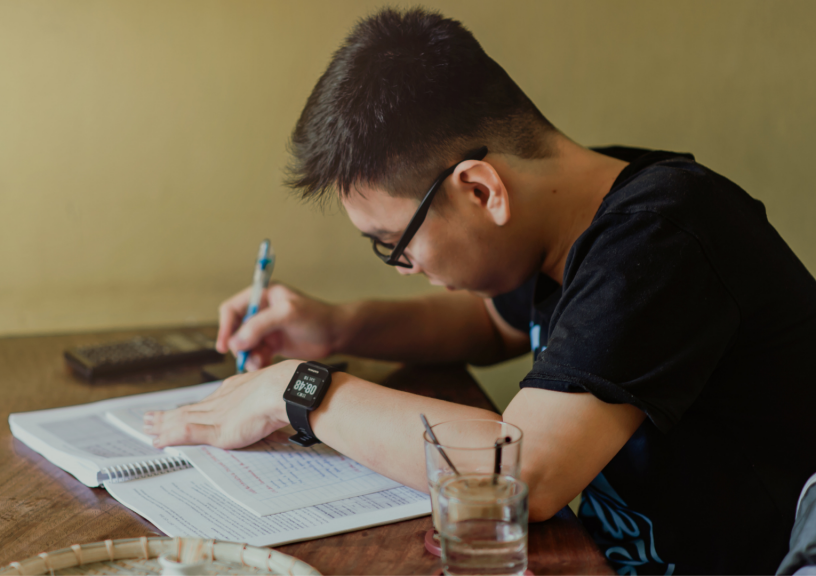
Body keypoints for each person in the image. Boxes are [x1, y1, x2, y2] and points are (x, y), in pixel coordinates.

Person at [143, 8, 816, 574]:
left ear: (480, 189)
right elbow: (491, 326)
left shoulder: (663, 237)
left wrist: (297, 390)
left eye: (394, 243)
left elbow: (521, 474)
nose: (401, 265)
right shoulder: (579, 209)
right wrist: (338, 325)